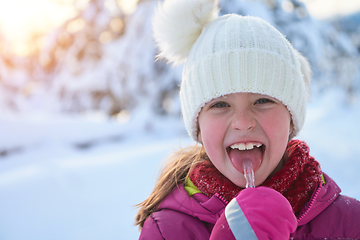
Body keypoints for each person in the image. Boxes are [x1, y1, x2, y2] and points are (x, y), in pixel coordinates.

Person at [135, 0, 360, 239]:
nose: (243, 122)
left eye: (262, 101)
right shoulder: (167, 230)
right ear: (198, 127)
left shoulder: (348, 222)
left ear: (292, 119)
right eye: (220, 104)